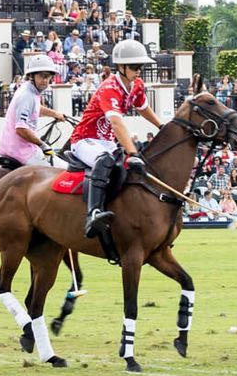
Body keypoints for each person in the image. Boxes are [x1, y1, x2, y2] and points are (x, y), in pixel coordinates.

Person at [66, 38, 165, 237]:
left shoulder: (136, 85)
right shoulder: (109, 88)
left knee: (131, 169)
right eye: (135, 66)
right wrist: (132, 151)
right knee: (105, 161)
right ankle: (93, 213)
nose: (139, 71)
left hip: (107, 142)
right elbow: (116, 123)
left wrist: (162, 126)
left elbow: (143, 108)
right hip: (85, 139)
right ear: (121, 66)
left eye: (141, 66)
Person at [0, 55, 66, 169]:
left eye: (47, 76)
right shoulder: (27, 95)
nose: (44, 80)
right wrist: (43, 145)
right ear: (31, 76)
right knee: (64, 170)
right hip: (21, 151)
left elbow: (35, 109)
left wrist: (55, 114)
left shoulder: (30, 90)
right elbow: (20, 129)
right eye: (41, 76)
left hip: (16, 147)